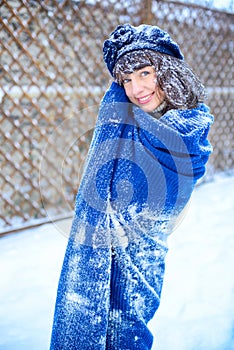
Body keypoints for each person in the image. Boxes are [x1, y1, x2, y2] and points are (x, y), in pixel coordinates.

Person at [50, 23, 213, 350]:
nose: (135, 88)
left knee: (129, 324)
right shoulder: (121, 119)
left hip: (145, 257)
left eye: (144, 72)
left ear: (167, 72)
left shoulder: (190, 130)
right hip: (105, 248)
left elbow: (161, 199)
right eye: (125, 79)